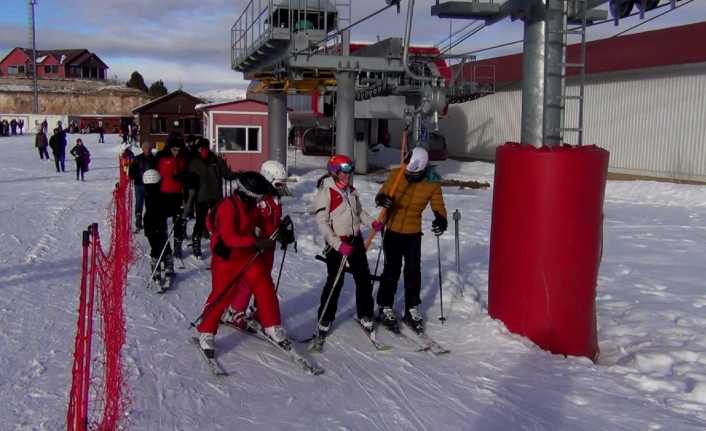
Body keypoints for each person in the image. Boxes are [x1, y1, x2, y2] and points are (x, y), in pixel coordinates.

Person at [195, 171, 289, 358]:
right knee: (222, 294)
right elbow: (229, 237)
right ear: (248, 193)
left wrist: (281, 232)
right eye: (258, 195)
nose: (260, 199)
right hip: (227, 258)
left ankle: (272, 325)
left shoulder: (251, 205)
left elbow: (263, 223)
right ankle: (206, 331)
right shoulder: (228, 207)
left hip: (247, 255)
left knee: (264, 286)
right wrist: (255, 243)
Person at [374, 146, 447, 333]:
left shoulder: (432, 183)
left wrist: (441, 218)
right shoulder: (397, 174)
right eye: (408, 173)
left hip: (413, 232)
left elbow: (438, 204)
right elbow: (382, 194)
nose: (409, 177)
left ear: (422, 171)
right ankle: (385, 305)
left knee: (413, 270)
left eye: (413, 175)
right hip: (392, 229)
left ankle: (411, 308)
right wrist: (383, 199)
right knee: (392, 268)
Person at [310, 154, 382, 344]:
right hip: (337, 243)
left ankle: (365, 314)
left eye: (349, 172)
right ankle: (325, 319)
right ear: (334, 172)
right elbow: (323, 225)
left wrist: (372, 222)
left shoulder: (351, 191)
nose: (347, 176)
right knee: (336, 281)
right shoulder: (325, 194)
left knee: (364, 279)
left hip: (355, 240)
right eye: (343, 172)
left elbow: (359, 213)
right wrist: (337, 244)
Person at [222, 160, 295, 328]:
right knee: (249, 281)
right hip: (257, 247)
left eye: (282, 185)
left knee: (266, 281)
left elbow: (274, 220)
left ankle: (261, 311)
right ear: (267, 179)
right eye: (277, 184)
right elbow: (250, 221)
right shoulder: (257, 200)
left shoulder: (275, 199)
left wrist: (283, 230)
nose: (279, 188)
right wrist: (256, 234)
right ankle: (235, 310)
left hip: (269, 247)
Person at [186, 138, 237, 259]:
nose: (203, 151)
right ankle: (196, 244)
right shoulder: (194, 162)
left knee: (219, 223)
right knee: (200, 221)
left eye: (205, 148)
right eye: (201, 149)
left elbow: (227, 175)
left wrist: (238, 174)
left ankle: (220, 245)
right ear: (198, 149)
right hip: (201, 197)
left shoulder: (217, 160)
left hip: (216, 197)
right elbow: (188, 178)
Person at [156, 136, 188, 258]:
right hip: (164, 194)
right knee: (162, 222)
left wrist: (182, 177)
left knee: (178, 221)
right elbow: (157, 174)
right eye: (174, 149)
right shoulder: (162, 158)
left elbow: (186, 173)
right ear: (169, 148)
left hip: (178, 194)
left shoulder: (182, 160)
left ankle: (177, 246)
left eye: (178, 150)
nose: (176, 152)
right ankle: (165, 245)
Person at [141, 169, 174, 286]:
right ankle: (167, 266)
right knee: (164, 245)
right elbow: (167, 209)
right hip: (159, 224)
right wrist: (177, 210)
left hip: (149, 225)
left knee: (155, 247)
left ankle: (157, 270)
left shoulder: (147, 194)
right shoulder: (160, 195)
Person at [129, 141, 157, 232]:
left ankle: (149, 222)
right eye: (146, 148)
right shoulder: (137, 159)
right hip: (139, 184)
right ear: (142, 149)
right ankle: (138, 222)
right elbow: (131, 171)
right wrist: (134, 176)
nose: (148, 150)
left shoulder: (155, 159)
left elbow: (158, 171)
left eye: (149, 148)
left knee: (150, 205)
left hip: (150, 186)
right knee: (139, 203)